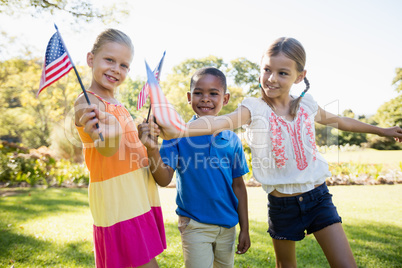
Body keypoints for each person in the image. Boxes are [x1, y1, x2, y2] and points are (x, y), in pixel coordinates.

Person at [153, 37, 402, 267]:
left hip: (318, 198)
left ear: (299, 76)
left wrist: (381, 130)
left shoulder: (307, 104)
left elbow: (342, 121)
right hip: (282, 205)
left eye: (282, 73)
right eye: (267, 70)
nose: (272, 78)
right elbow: (217, 122)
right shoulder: (253, 108)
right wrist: (180, 130)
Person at [138, 67, 250, 268]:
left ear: (225, 99)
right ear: (189, 97)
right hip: (195, 224)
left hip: (228, 225)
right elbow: (163, 180)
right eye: (199, 93)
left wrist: (245, 229)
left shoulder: (232, 139)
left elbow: (239, 186)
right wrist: (153, 150)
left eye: (213, 93)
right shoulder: (176, 136)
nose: (205, 98)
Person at [74, 28, 166, 268]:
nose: (116, 69)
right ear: (91, 59)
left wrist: (144, 139)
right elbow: (104, 146)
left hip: (137, 193)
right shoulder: (88, 101)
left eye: (124, 65)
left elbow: (132, 149)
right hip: (118, 199)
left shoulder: (118, 104)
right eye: (109, 60)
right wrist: (109, 134)